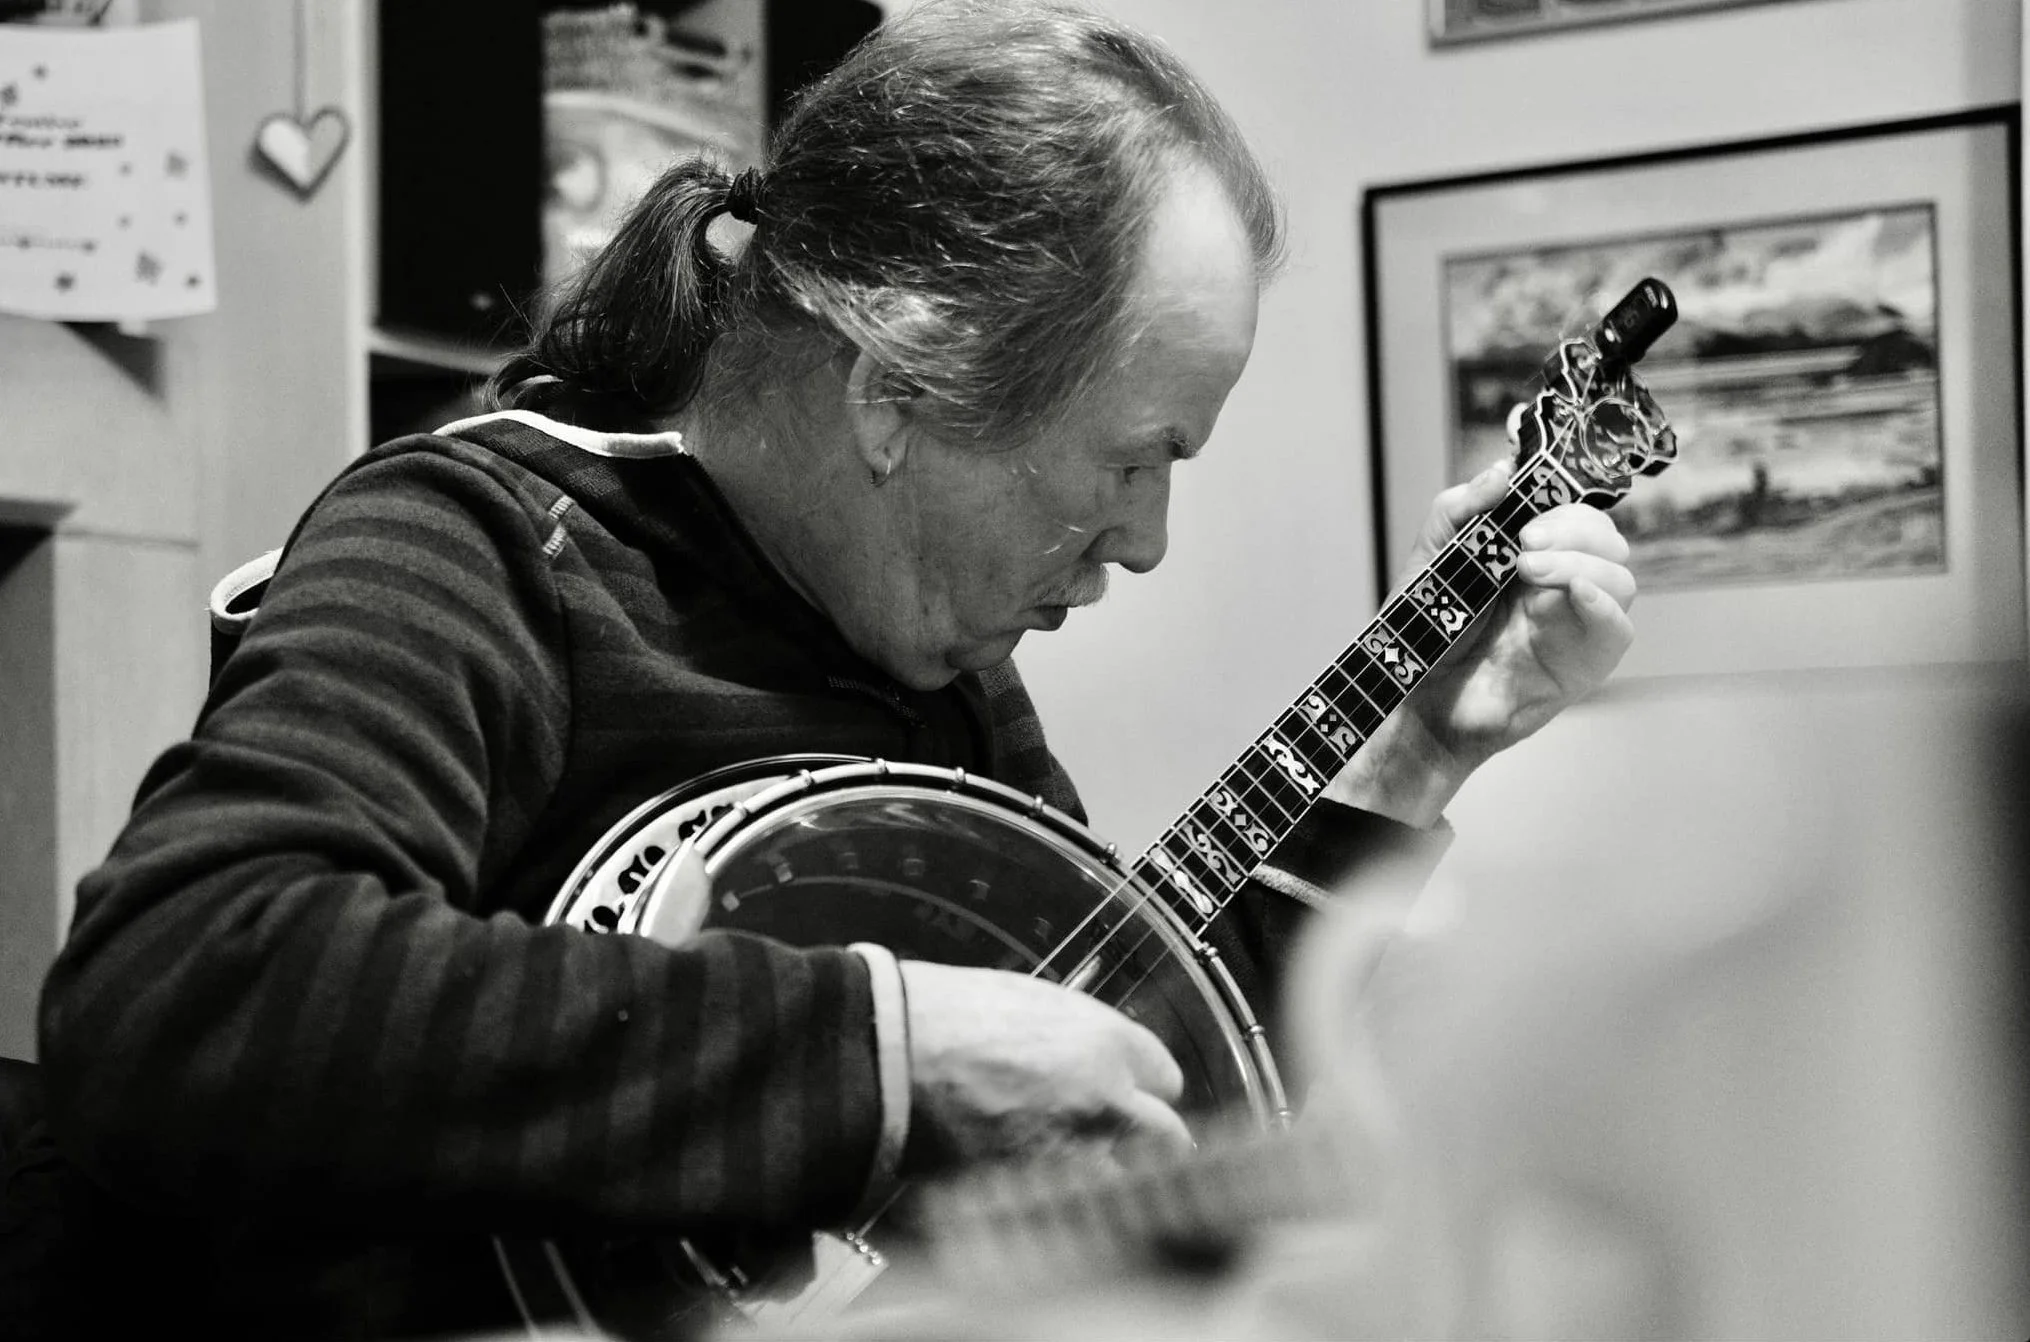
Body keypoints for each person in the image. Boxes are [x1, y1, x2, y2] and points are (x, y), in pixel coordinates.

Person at [29, 1, 1638, 1336]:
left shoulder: (932, 672)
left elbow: (1157, 1133)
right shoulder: (485, 542)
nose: (1143, 540)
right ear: (892, 392)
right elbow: (184, 983)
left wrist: (1409, 764)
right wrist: (878, 1053)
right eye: (1134, 458)